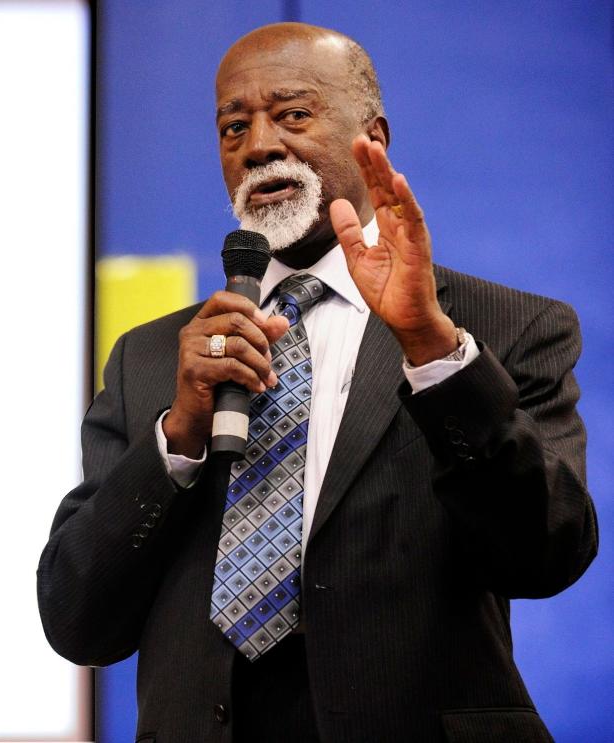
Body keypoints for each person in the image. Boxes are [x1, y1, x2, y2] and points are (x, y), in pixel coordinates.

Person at [37, 22, 596, 742]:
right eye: (232, 127)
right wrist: (177, 438)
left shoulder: (504, 327)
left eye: (292, 114)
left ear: (374, 138)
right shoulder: (152, 358)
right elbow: (77, 618)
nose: (258, 145)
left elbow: (544, 551)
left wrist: (432, 348)